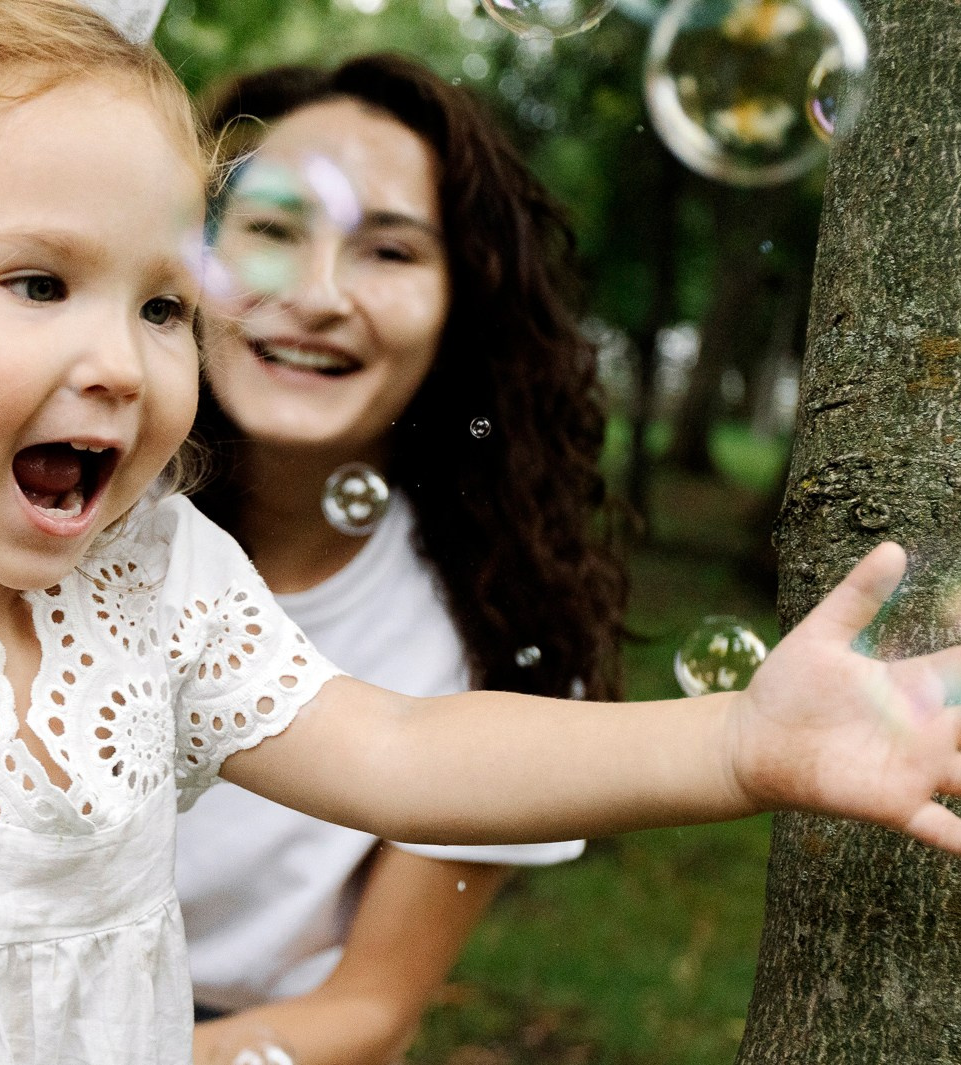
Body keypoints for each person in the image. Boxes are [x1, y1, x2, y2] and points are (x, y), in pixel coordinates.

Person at [0, 1, 961, 1062]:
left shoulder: (156, 579)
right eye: (40, 283)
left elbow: (403, 749)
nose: (119, 356)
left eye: (162, 303)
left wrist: (733, 743)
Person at [178, 54, 626, 1065]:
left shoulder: (502, 630)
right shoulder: (58, 510)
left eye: (387, 251)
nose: (319, 294)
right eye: (273, 230)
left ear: (463, 302)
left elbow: (369, 1008)